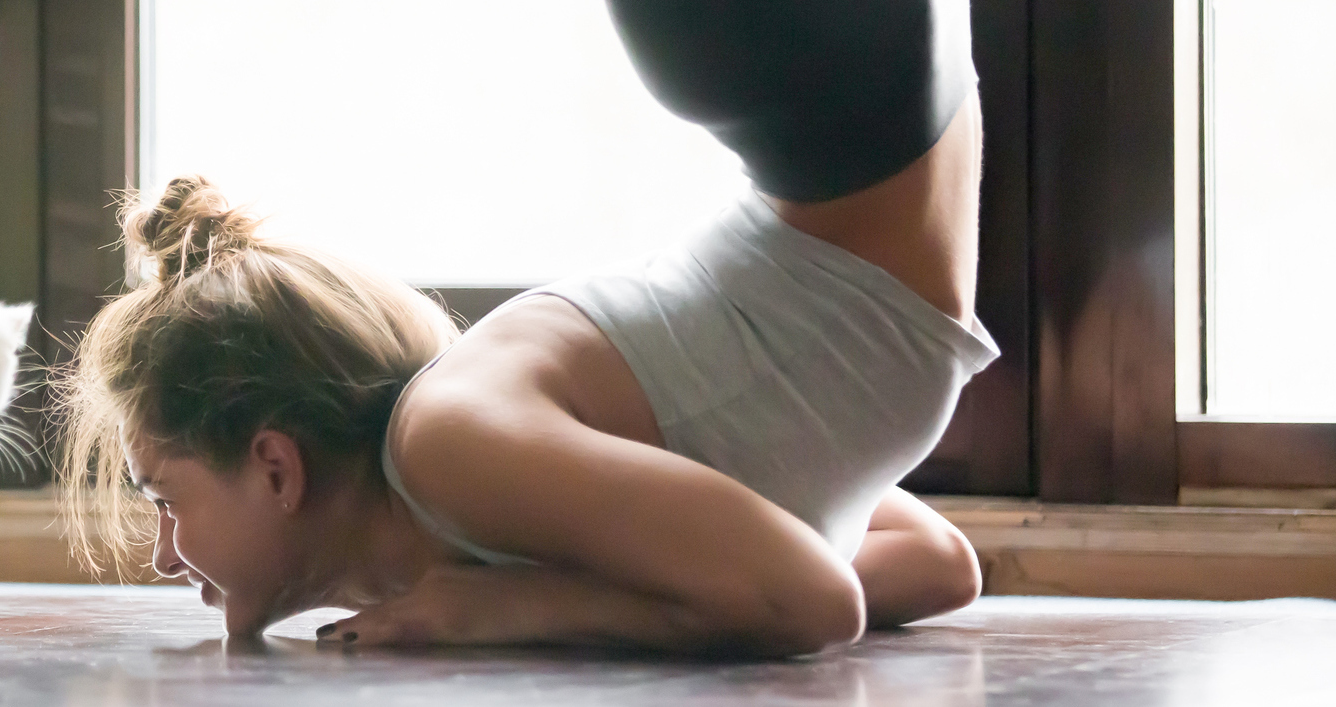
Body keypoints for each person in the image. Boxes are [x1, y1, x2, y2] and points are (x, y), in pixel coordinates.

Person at [57, 0, 995, 657]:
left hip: (829, 102)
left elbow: (816, 602)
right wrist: (585, 596)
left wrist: (523, 605)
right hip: (852, 108)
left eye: (164, 499)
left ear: (275, 465)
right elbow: (933, 563)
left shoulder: (452, 443)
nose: (162, 554)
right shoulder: (499, 483)